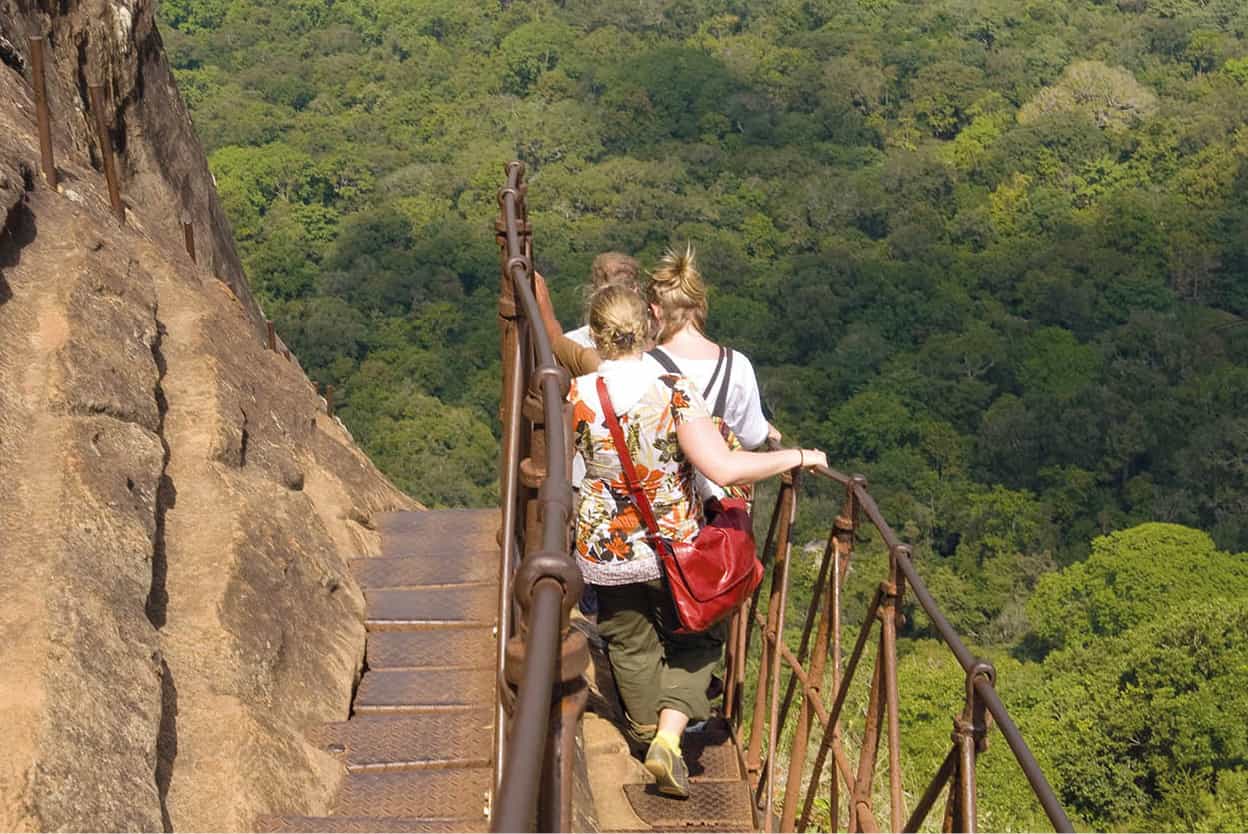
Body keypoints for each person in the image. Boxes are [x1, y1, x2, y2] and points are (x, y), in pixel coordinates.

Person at [568, 284, 826, 798]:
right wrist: (795, 456)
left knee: (627, 641)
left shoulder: (576, 393)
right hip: (673, 546)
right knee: (699, 636)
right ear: (647, 326)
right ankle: (667, 737)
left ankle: (644, 738)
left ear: (595, 334)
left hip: (604, 550)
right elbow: (722, 465)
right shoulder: (672, 389)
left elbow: (567, 469)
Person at [644, 244, 777, 504]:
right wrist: (767, 431)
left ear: (657, 311)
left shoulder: (643, 366)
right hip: (719, 508)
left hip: (659, 505)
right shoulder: (736, 365)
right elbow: (750, 437)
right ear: (700, 305)